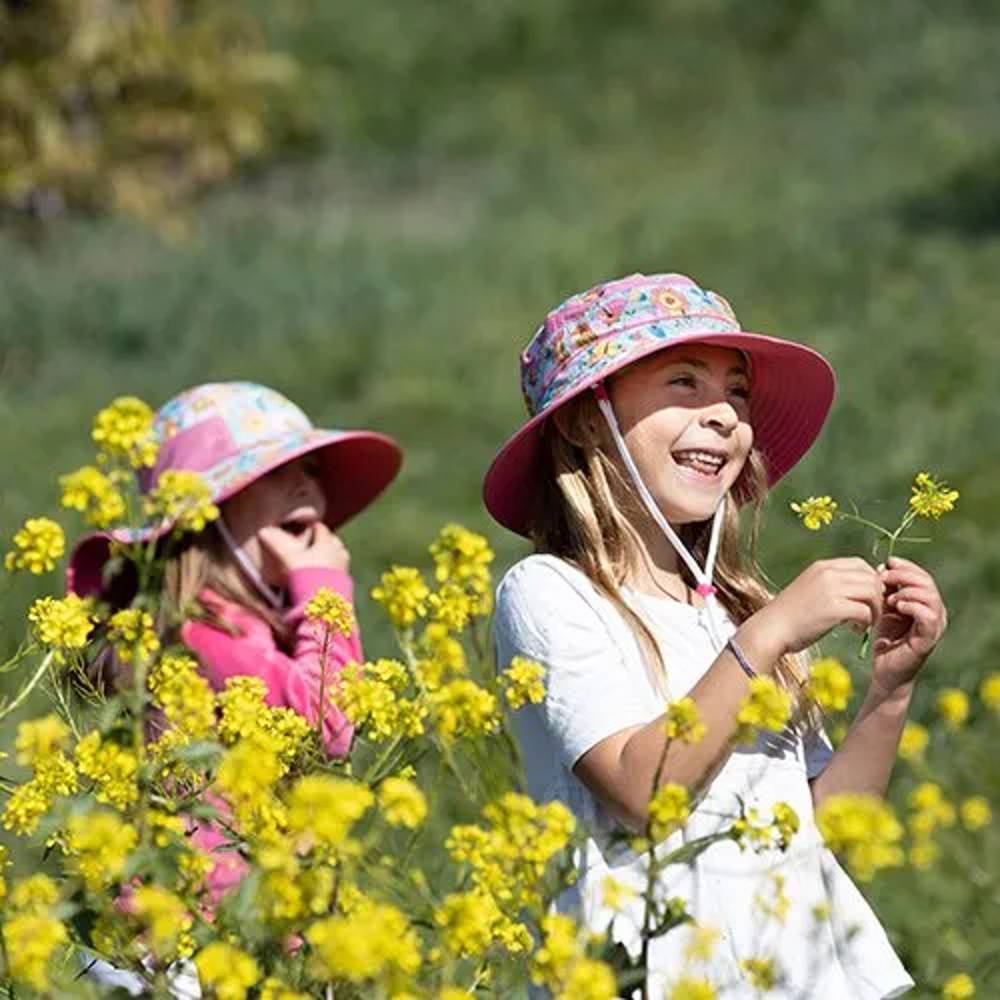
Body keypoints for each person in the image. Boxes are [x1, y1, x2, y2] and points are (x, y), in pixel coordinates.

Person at [485, 272, 945, 998]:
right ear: (584, 421)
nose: (725, 416)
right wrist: (771, 636)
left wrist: (890, 689)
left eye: (736, 392)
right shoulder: (550, 592)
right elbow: (642, 788)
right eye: (684, 384)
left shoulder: (733, 610)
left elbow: (830, 832)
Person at [68, 380, 402, 902]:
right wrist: (323, 590)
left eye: (311, 469)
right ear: (207, 517)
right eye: (274, 472)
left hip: (226, 927)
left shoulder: (246, 625)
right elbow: (325, 725)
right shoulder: (199, 632)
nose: (306, 487)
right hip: (182, 941)